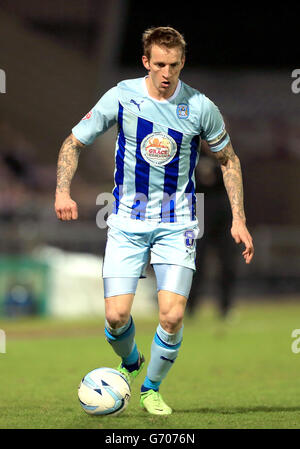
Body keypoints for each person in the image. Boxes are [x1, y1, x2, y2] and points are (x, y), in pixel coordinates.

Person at [54, 26, 254, 415]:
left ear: (183, 63)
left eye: (174, 65)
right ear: (146, 61)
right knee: (115, 317)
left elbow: (230, 160)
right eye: (159, 64)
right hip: (126, 222)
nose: (166, 73)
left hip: (177, 222)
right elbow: (73, 142)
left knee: (173, 314)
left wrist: (239, 219)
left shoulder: (199, 107)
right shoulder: (122, 96)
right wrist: (62, 191)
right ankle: (131, 362)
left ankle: (150, 389)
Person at [186, 141, 238, 318]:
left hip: (223, 210)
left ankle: (226, 306)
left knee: (227, 260)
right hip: (200, 208)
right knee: (196, 260)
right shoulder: (192, 154)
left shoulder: (227, 155)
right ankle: (190, 306)